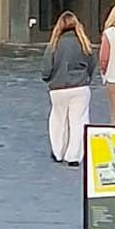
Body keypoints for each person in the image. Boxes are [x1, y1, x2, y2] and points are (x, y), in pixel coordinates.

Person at [40, 11, 95, 165]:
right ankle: (74, 156)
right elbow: (92, 63)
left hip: (58, 88)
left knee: (58, 120)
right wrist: (87, 77)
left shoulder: (54, 44)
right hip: (80, 87)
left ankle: (58, 152)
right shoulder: (83, 43)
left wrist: (49, 79)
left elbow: (46, 68)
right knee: (79, 121)